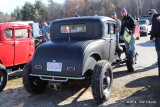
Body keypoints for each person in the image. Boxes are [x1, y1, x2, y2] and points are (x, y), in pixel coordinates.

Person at [149, 9, 160, 73]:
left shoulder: (155, 18)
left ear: (153, 13)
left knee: (158, 51)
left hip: (158, 37)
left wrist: (151, 37)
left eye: (150, 14)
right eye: (149, 14)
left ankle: (159, 61)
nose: (150, 15)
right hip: (158, 36)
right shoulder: (158, 17)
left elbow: (154, 29)